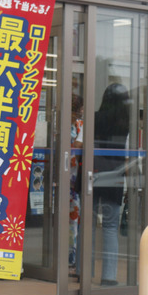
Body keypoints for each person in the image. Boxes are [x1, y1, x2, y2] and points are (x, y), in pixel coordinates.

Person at [93, 83, 130, 286]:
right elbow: (129, 156)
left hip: (92, 175)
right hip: (114, 178)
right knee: (109, 227)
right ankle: (108, 276)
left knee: (87, 226)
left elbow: (81, 145)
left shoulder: (94, 118)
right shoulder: (126, 123)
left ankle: (83, 271)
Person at [69, 94, 83, 270]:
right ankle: (71, 252)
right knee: (72, 218)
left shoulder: (78, 125)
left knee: (72, 217)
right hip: (72, 175)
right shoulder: (79, 125)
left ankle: (72, 253)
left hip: (72, 176)